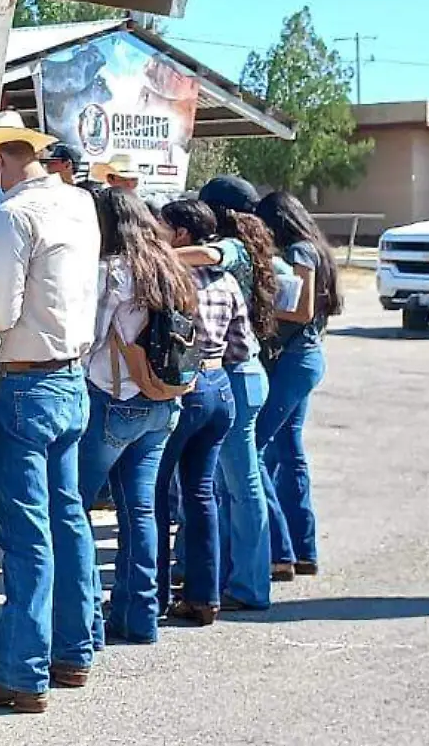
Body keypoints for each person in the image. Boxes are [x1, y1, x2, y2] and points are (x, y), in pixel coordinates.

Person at [0, 111, 100, 714]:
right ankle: (72, 651)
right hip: (70, 377)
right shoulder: (79, 203)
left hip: (20, 381)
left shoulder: (14, 215)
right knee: (68, 518)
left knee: (26, 533)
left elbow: (1, 312)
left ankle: (21, 670)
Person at [81, 187, 195, 645]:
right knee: (141, 510)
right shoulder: (172, 268)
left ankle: (87, 620)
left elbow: (88, 335)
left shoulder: (109, 273)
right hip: (163, 401)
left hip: (112, 398)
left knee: (75, 507)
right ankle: (141, 616)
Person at [185, 175, 287, 610]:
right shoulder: (254, 248)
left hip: (237, 376)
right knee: (234, 485)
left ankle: (249, 585)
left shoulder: (234, 248)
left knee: (242, 486)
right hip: (244, 373)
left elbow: (210, 254)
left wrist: (152, 254)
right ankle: (238, 576)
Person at [157, 199, 248, 625]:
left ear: (181, 234)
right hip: (220, 386)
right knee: (201, 493)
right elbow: (241, 346)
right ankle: (204, 595)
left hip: (182, 388)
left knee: (154, 494)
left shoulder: (172, 276)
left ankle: (150, 594)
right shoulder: (227, 280)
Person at [256, 189, 342, 580]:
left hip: (294, 358)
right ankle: (303, 549)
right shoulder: (317, 247)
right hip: (305, 357)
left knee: (253, 449)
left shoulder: (299, 252)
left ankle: (281, 550)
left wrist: (257, 307)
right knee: (289, 451)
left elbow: (301, 309)